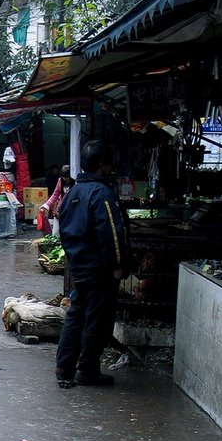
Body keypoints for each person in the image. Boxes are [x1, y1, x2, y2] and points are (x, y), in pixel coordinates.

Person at [55, 140, 129, 389]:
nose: (110, 168)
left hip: (80, 266)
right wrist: (118, 263)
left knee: (76, 315)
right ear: (101, 165)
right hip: (99, 269)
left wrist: (75, 258)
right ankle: (87, 370)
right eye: (108, 163)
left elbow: (63, 229)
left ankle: (64, 369)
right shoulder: (101, 193)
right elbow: (112, 233)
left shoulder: (73, 192)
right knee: (97, 320)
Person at [40, 164, 74, 235]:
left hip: (71, 211)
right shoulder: (60, 181)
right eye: (64, 177)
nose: (65, 179)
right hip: (59, 210)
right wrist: (46, 205)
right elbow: (55, 194)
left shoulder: (75, 183)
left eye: (67, 177)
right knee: (56, 234)